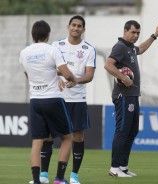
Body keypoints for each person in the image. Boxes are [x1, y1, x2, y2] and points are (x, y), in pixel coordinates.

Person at [32, 15, 96, 184]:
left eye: (79, 26)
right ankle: (44, 175)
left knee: (78, 136)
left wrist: (75, 81)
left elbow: (89, 75)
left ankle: (74, 175)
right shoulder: (56, 46)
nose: (76, 28)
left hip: (77, 99)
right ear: (68, 27)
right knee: (48, 137)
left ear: (83, 29)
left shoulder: (89, 49)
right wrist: (59, 78)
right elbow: (50, 68)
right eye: (73, 25)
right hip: (56, 97)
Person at [19, 20, 77, 184]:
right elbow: (67, 74)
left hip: (35, 100)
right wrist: (73, 80)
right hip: (52, 99)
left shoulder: (24, 53)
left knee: (37, 143)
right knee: (67, 138)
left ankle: (36, 180)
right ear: (48, 34)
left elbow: (28, 76)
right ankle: (59, 179)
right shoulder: (53, 50)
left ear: (33, 34)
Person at [104, 20, 158, 177]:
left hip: (133, 96)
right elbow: (108, 64)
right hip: (123, 96)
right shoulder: (120, 47)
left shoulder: (130, 48)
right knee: (122, 130)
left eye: (138, 33)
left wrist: (154, 36)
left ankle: (123, 166)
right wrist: (123, 77)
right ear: (125, 31)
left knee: (132, 131)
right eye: (133, 32)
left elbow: (141, 49)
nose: (136, 35)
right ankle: (114, 169)